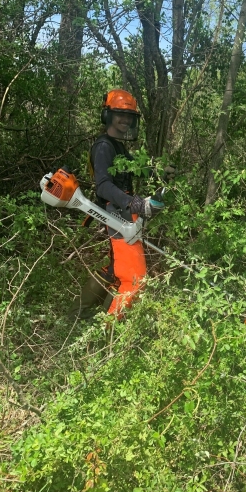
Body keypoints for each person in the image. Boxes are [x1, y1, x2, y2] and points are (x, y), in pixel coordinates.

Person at [70, 88, 173, 320]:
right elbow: (104, 186)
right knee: (134, 277)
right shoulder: (104, 146)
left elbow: (137, 170)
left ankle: (81, 313)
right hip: (115, 212)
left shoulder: (118, 146)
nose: (125, 120)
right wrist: (133, 203)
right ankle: (111, 329)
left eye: (129, 117)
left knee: (116, 268)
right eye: (120, 115)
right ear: (108, 116)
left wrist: (160, 173)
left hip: (122, 211)